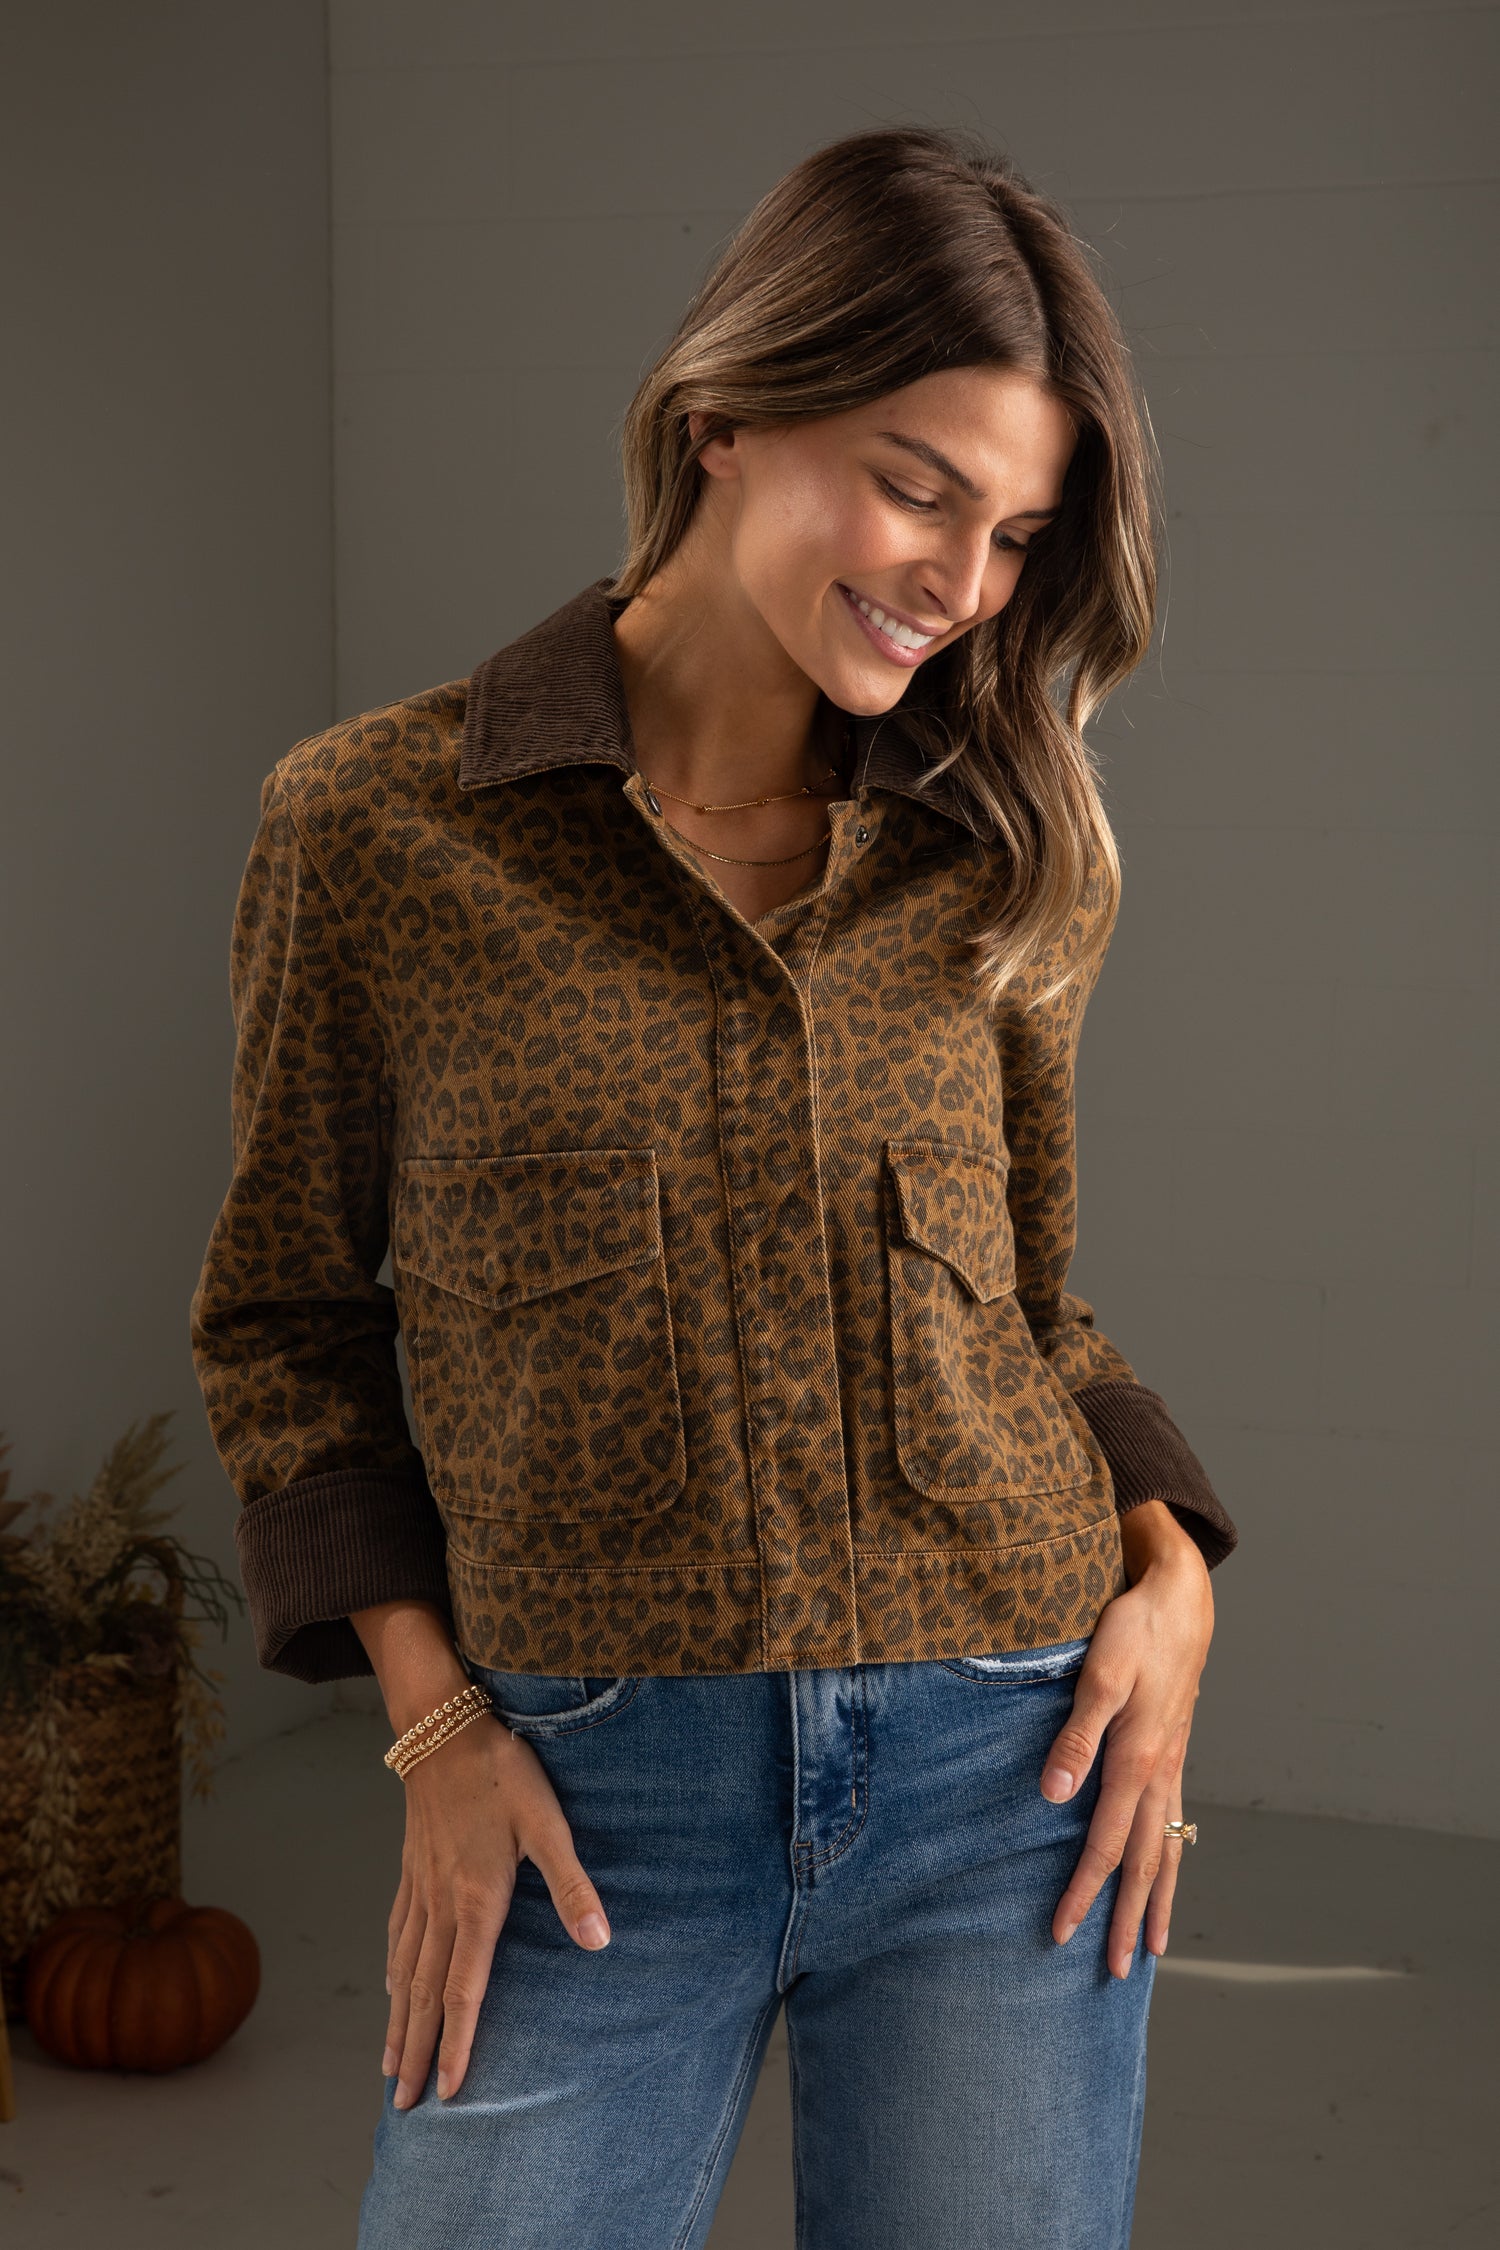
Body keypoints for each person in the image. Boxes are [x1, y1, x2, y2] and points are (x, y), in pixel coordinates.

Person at [190, 122, 1238, 2250]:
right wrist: (433, 1730)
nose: (960, 582)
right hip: (587, 1803)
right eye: (916, 482)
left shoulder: (996, 858)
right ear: (724, 419)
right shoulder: (380, 831)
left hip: (1005, 1785)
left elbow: (1037, 1304)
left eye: (1018, 531)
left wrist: (1177, 1578)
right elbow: (290, 1322)